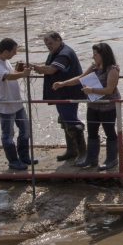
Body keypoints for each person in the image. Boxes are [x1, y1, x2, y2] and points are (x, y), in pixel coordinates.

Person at [54, 42, 122, 171]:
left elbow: (109, 90)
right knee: (92, 131)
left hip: (107, 105)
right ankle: (91, 158)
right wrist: (63, 83)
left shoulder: (112, 69)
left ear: (103, 55)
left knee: (109, 131)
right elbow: (80, 78)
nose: (93, 57)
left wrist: (92, 90)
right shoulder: (94, 67)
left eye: (96, 55)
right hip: (93, 104)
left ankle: (112, 159)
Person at [30, 31, 85, 162]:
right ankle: (72, 150)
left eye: (50, 43)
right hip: (60, 93)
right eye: (46, 45)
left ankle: (83, 153)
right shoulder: (56, 51)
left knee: (72, 122)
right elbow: (47, 68)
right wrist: (35, 67)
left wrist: (33, 67)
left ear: (58, 40)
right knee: (64, 120)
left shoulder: (64, 54)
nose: (49, 46)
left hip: (69, 93)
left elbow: (50, 70)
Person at [0, 38, 37, 170]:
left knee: (25, 130)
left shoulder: (5, 61)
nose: (15, 54)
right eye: (13, 51)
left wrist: (18, 71)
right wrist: (22, 74)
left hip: (16, 102)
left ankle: (24, 156)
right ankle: (13, 161)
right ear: (5, 51)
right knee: (8, 135)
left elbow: (10, 74)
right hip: (5, 104)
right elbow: (7, 76)